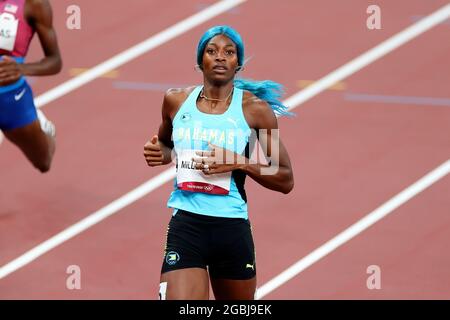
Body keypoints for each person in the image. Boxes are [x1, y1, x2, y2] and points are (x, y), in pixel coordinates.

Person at [144, 25, 294, 300]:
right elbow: (166, 144)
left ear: (238, 63)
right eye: (212, 51)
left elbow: (285, 178)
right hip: (187, 225)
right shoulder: (175, 101)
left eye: (229, 52)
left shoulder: (256, 111)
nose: (221, 57)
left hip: (231, 228)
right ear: (200, 60)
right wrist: (160, 152)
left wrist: (240, 162)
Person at [0, 0, 62, 172]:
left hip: (10, 97)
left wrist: (21, 68)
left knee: (43, 161)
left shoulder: (34, 4)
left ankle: (41, 125)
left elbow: (55, 61)